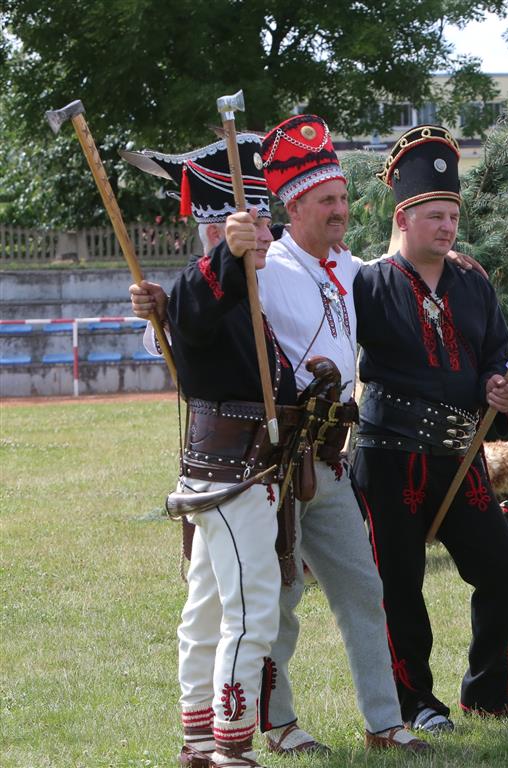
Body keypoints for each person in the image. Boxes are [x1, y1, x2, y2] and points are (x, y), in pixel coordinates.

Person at [127, 123, 429, 756]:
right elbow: (191, 315)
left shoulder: (343, 268)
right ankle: (260, 731)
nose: (340, 211)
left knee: (354, 590)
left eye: (343, 199)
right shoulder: (251, 270)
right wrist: (163, 308)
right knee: (262, 605)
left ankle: (382, 723)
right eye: (327, 201)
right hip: (267, 465)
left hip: (326, 456)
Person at [351, 124, 508, 732]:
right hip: (390, 455)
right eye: (434, 216)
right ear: (403, 218)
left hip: (461, 456)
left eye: (452, 216)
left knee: (502, 569)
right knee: (399, 584)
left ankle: (489, 693)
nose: (446, 227)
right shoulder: (369, 282)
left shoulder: (471, 280)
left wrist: (497, 384)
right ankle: (414, 703)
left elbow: (494, 352)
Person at [126, 136, 294, 768]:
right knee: (251, 612)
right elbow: (198, 305)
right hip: (233, 479)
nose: (270, 236)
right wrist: (229, 253)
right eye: (258, 227)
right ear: (224, 232)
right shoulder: (206, 287)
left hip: (232, 475)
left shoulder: (242, 288)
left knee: (207, 610)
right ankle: (230, 746)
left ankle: (199, 741)